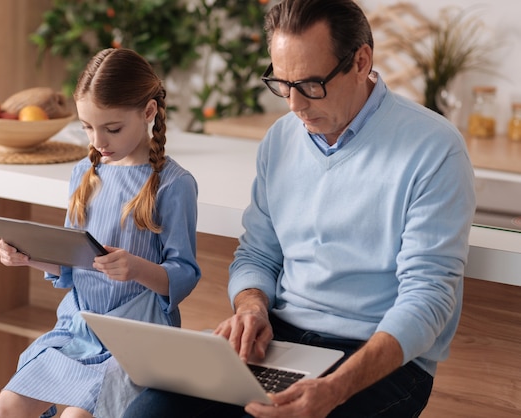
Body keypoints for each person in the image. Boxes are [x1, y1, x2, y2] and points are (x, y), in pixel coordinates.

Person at [123, 0, 476, 417]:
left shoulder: (434, 148)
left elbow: (428, 300)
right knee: (148, 411)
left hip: (378, 359)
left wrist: (334, 388)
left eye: (310, 84)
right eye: (282, 83)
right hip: (281, 341)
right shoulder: (281, 139)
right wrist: (252, 307)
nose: (293, 105)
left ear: (361, 61)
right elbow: (257, 255)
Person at [0, 48, 201, 418]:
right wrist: (29, 256)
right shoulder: (84, 175)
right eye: (87, 127)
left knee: (77, 416)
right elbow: (75, 262)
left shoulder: (173, 184)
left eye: (112, 128)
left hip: (136, 338)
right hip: (79, 327)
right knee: (4, 408)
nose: (98, 141)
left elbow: (185, 274)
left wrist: (136, 268)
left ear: (148, 112)